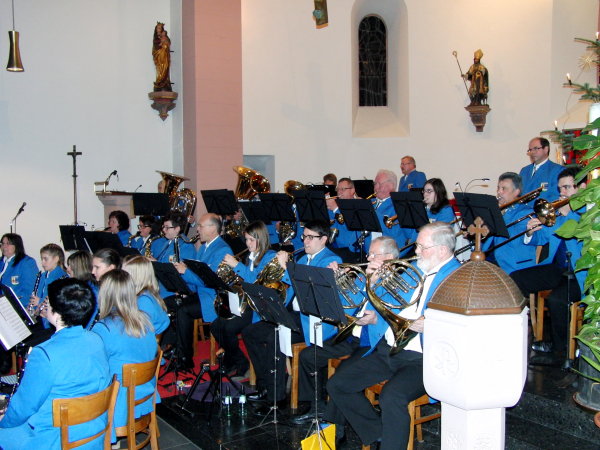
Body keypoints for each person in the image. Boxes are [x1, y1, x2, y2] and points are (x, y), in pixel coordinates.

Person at [324, 222, 461, 450]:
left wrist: (432, 325)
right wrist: (374, 280)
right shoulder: (413, 269)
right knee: (338, 384)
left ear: (442, 250)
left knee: (391, 397)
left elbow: (462, 320)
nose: (415, 251)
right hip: (389, 350)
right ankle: (378, 434)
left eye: (421, 247)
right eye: (417, 246)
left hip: (422, 359)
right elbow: (384, 302)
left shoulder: (457, 276)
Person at [291, 236, 399, 425]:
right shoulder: (363, 276)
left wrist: (372, 287)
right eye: (369, 253)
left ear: (389, 257)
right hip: (351, 337)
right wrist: (335, 281)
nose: (369, 257)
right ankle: (316, 408)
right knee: (309, 356)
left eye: (374, 254)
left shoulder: (398, 280)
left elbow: (391, 313)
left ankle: (335, 427)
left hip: (371, 343)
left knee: (342, 375)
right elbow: (343, 306)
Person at [243, 219, 342, 416]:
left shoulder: (331, 260)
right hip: (298, 316)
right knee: (250, 333)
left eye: (310, 238)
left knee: (275, 338)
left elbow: (309, 291)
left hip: (316, 322)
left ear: (323, 239)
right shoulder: (305, 258)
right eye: (304, 237)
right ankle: (265, 385)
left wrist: (286, 267)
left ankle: (276, 398)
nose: (304, 241)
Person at [0, 278, 110, 450]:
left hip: (55, 439)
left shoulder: (44, 354)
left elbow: (24, 407)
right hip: (93, 431)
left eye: (48, 301)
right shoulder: (97, 340)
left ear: (57, 313)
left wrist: (4, 421)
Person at [510, 167, 587, 355]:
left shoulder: (589, 212)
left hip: (580, 273)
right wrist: (530, 231)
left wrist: (568, 213)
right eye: (561, 188)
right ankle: (518, 333)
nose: (562, 193)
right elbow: (542, 238)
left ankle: (560, 350)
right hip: (558, 268)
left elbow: (582, 236)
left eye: (567, 188)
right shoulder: (559, 214)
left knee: (556, 299)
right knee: (515, 279)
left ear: (583, 187)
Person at [92, 270, 158, 444]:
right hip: (144, 393)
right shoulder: (144, 320)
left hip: (120, 403)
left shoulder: (104, 329)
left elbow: (94, 369)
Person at [211, 221, 277, 376]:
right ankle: (238, 360)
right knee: (216, 326)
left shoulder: (270, 257)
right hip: (247, 303)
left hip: (260, 308)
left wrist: (237, 266)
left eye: (251, 240)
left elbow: (256, 281)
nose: (247, 243)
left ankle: (233, 364)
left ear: (261, 239)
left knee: (229, 328)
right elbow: (243, 281)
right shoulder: (250, 256)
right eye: (246, 239)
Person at [173, 213, 233, 367]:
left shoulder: (222, 249)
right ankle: (178, 349)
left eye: (200, 225)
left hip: (214, 299)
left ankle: (184, 357)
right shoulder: (204, 247)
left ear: (212, 228)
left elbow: (208, 280)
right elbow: (196, 276)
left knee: (183, 310)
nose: (197, 229)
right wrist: (184, 289)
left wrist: (184, 271)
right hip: (200, 294)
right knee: (175, 303)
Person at [481, 172, 537, 275]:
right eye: (498, 188)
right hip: (490, 261)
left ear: (516, 192)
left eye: (504, 189)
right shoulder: (494, 210)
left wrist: (501, 216)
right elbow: (487, 240)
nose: (499, 192)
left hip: (513, 266)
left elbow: (514, 241)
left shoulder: (526, 212)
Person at [149, 211, 196, 299]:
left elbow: (177, 270)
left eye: (167, 227)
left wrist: (156, 263)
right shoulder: (167, 242)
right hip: (164, 288)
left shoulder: (185, 246)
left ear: (177, 228)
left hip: (174, 292)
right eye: (163, 227)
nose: (163, 230)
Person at [122, 256, 170, 336]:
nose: (120, 277)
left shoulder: (144, 301)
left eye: (124, 274)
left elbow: (140, 333)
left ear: (136, 276)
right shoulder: (144, 294)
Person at [404, 178, 456, 244]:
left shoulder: (446, 211)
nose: (425, 194)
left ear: (438, 192)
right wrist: (406, 215)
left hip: (433, 247)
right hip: (417, 245)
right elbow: (409, 235)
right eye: (424, 191)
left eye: (429, 191)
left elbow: (440, 236)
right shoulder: (421, 210)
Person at [327, 178, 366, 262]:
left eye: (343, 189)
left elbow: (350, 226)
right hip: (335, 246)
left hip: (351, 249)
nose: (339, 192)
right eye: (338, 189)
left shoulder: (359, 205)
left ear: (352, 191)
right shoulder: (335, 205)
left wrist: (336, 209)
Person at [519, 137, 564, 203]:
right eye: (530, 150)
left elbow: (555, 196)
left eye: (536, 148)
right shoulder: (524, 171)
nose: (532, 152)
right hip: (521, 212)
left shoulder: (557, 170)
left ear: (546, 149)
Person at [0, 233, 38, 306]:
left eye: (8, 244)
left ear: (16, 246)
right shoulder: (1, 262)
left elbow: (29, 291)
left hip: (17, 306)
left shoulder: (27, 263)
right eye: (2, 243)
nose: (4, 246)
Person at [372, 170, 405, 252]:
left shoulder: (400, 204)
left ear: (391, 185)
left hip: (388, 251)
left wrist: (372, 213)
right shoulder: (371, 202)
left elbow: (394, 232)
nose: (376, 187)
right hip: (368, 249)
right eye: (375, 184)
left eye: (380, 184)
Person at [67, 250, 99, 329]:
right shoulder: (84, 287)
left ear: (78, 268)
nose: (67, 269)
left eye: (70, 266)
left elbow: (87, 324)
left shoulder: (90, 292)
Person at [153, 22, 172, 92]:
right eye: (157, 28)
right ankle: (160, 81)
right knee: (160, 68)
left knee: (165, 67)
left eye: (160, 28)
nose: (158, 29)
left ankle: (165, 82)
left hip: (164, 55)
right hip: (159, 55)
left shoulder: (164, 36)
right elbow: (156, 45)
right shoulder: (156, 37)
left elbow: (168, 42)